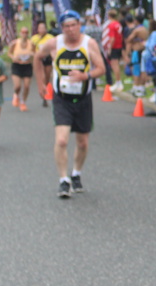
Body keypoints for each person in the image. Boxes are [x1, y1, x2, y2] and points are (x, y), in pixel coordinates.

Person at [34, 11, 106, 198]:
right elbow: (37, 57)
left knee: (82, 143)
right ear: (61, 28)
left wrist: (85, 76)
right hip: (62, 98)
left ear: (79, 25)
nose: (71, 29)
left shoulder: (88, 43)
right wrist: (41, 83)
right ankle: (63, 180)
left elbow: (101, 68)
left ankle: (76, 174)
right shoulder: (54, 43)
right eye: (66, 26)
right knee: (62, 140)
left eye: (74, 25)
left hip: (83, 98)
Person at [8, 25, 36, 111]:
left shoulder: (31, 43)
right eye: (23, 32)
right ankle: (16, 95)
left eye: (26, 32)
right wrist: (14, 58)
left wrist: (32, 56)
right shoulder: (15, 43)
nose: (24, 34)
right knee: (17, 86)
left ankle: (23, 102)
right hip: (17, 65)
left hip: (27, 66)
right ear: (20, 33)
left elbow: (35, 54)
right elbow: (9, 53)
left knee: (26, 86)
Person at [102, 9, 125, 93]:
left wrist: (109, 48)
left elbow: (112, 38)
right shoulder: (118, 24)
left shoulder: (111, 25)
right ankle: (118, 82)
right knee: (116, 65)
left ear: (109, 16)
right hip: (119, 46)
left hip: (114, 47)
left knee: (114, 65)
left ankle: (118, 82)